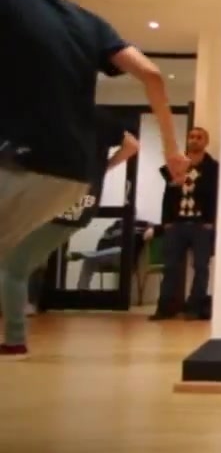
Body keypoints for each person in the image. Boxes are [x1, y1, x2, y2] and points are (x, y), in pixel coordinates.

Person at [0, 0, 187, 259]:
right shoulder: (89, 21)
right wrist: (173, 151)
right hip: (70, 177)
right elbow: (151, 75)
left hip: (17, 160)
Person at [1, 108, 138, 360]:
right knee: (18, 266)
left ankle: (15, 341)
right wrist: (102, 170)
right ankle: (17, 330)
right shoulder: (99, 117)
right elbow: (132, 145)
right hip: (82, 204)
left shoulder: (54, 115)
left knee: (13, 268)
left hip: (51, 197)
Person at [153, 126, 219, 321]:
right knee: (170, 266)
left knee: (201, 266)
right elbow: (168, 194)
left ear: (206, 142)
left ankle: (194, 308)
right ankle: (165, 308)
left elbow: (215, 195)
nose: (194, 140)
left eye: (199, 137)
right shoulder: (176, 164)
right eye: (192, 136)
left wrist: (210, 221)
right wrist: (166, 221)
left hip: (201, 225)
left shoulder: (213, 168)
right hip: (177, 223)